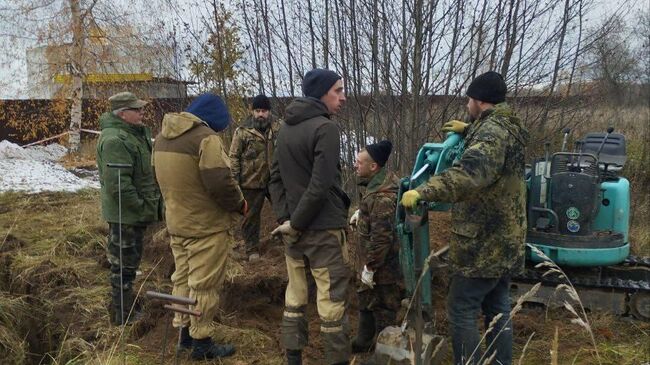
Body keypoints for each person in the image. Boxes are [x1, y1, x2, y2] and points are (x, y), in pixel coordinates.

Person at [401, 71, 529, 365]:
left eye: (469, 100)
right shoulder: (505, 126)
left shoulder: (491, 133)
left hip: (483, 241)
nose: (467, 106)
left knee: (461, 307)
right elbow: (490, 157)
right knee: (497, 306)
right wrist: (469, 130)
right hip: (505, 237)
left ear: (480, 101)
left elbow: (469, 174)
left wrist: (424, 191)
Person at [153, 94, 247, 361]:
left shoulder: (161, 138)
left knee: (181, 279)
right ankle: (202, 342)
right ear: (214, 118)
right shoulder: (205, 138)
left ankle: (184, 336)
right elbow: (219, 181)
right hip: (206, 227)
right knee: (204, 285)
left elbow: (156, 177)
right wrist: (240, 204)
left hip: (177, 223)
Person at [269, 68, 351, 365]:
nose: (343, 97)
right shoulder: (325, 128)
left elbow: (274, 179)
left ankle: (293, 360)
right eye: (337, 91)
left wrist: (285, 220)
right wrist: (297, 221)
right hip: (323, 229)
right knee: (332, 301)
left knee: (295, 296)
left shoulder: (285, 129)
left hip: (293, 231)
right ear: (321, 93)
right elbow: (321, 184)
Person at [96, 91, 162, 326]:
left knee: (129, 265)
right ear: (123, 114)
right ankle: (123, 316)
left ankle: (124, 311)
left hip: (133, 214)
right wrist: (142, 207)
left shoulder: (131, 135)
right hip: (126, 216)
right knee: (122, 266)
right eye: (137, 110)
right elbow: (119, 186)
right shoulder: (116, 140)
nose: (142, 112)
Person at [349, 140, 402, 355]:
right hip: (370, 261)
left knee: (384, 307)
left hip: (383, 267)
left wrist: (370, 268)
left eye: (358, 162)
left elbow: (381, 238)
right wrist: (361, 214)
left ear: (373, 167)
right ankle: (364, 339)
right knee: (365, 297)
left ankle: (385, 354)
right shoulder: (374, 188)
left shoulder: (383, 197)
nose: (355, 165)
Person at [229, 94, 276, 261]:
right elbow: (234, 157)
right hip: (250, 181)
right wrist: (234, 181)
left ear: (269, 112)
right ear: (252, 112)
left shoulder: (277, 129)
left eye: (264, 111)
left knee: (284, 211)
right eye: (258, 111)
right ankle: (251, 249)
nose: (261, 114)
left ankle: (286, 242)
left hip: (274, 180)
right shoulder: (242, 131)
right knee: (250, 218)